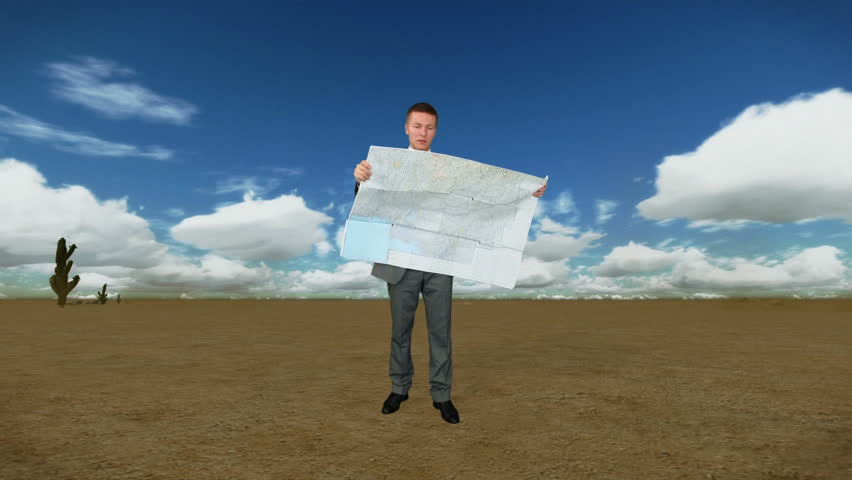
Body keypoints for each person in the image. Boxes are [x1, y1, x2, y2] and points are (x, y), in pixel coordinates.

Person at [353, 102, 547, 424]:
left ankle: (441, 395)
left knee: (440, 332)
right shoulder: (385, 166)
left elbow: (486, 193)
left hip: (440, 262)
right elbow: (369, 202)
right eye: (417, 126)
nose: (423, 133)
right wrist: (361, 181)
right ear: (406, 128)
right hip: (399, 262)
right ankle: (399, 388)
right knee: (401, 331)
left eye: (429, 127)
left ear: (436, 131)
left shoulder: (450, 170)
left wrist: (526, 192)